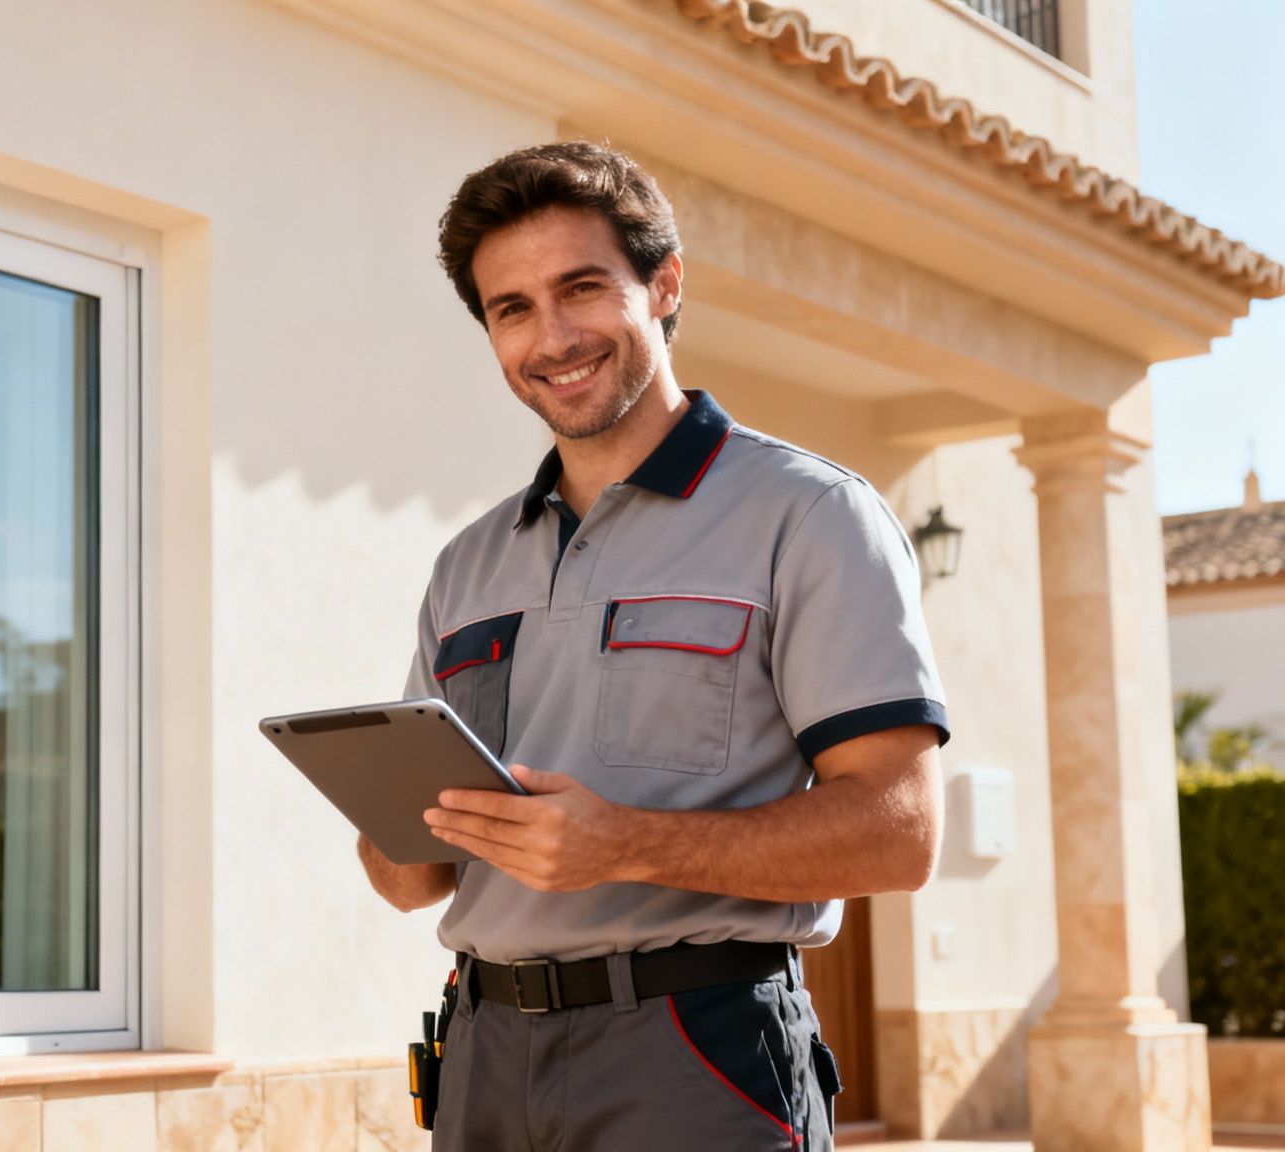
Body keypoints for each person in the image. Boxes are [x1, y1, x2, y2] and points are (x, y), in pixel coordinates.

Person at [360, 141, 948, 1151]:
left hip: (693, 1050)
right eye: (511, 309)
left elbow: (897, 835)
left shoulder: (807, 515)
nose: (551, 337)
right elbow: (412, 876)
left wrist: (624, 843)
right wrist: (387, 828)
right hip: (481, 1052)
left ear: (662, 285)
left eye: (580, 289)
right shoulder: (466, 563)